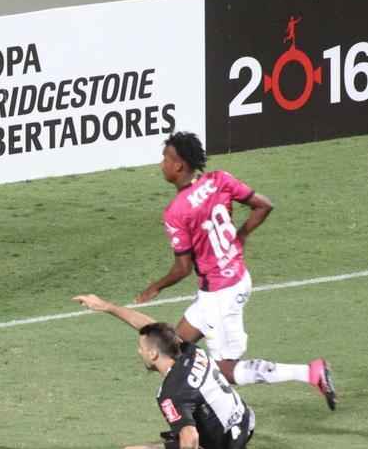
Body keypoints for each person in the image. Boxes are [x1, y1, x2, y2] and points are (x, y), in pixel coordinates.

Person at [135, 131, 336, 410]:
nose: (161, 165)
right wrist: (240, 236)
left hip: (222, 294)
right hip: (228, 282)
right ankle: (193, 410)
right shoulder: (220, 179)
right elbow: (263, 205)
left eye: (165, 159)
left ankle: (310, 373)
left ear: (179, 165)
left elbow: (183, 268)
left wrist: (155, 286)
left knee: (226, 370)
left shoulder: (177, 212)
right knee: (174, 348)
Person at [74, 294, 256, 449]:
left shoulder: (172, 393)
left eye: (141, 349)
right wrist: (108, 307)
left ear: (153, 354)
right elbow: (153, 328)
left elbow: (190, 437)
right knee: (191, 420)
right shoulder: (188, 350)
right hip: (245, 422)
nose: (139, 351)